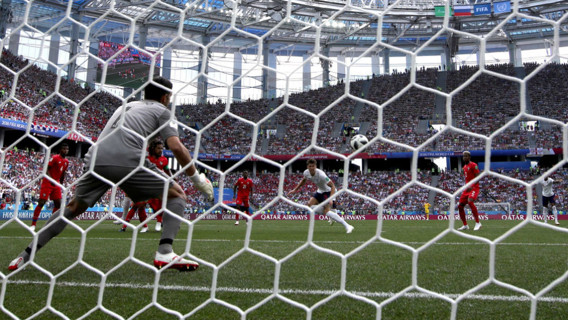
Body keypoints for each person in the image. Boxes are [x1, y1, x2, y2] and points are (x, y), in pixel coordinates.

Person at [8, 77, 213, 272]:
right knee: (177, 194)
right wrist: (197, 178)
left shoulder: (125, 106)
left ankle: (24, 256)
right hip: (127, 160)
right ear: (165, 98)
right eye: (169, 98)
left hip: (96, 158)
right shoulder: (162, 111)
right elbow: (176, 146)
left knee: (72, 207)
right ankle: (165, 252)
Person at [288, 159, 354, 233]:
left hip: (328, 191)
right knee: (309, 205)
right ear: (307, 167)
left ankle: (347, 226)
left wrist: (331, 199)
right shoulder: (306, 173)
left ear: (315, 166)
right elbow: (304, 180)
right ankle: (331, 214)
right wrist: (295, 190)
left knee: (326, 211)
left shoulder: (321, 175)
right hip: (320, 191)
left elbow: (332, 185)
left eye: (313, 166)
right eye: (310, 166)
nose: (312, 168)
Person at [30, 143, 70, 231]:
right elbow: (47, 169)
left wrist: (61, 184)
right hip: (48, 182)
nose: (65, 150)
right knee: (42, 202)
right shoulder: (55, 158)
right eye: (64, 149)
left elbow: (63, 173)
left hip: (57, 184)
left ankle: (50, 224)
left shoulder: (66, 161)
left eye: (67, 149)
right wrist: (51, 179)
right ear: (60, 150)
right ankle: (33, 225)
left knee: (58, 204)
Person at [457, 151, 482, 231]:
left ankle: (478, 223)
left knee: (470, 201)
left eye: (466, 156)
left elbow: (477, 177)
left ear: (469, 157)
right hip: (467, 188)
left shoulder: (473, 165)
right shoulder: (464, 167)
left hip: (474, 187)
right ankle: (465, 225)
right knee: (460, 206)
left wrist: (471, 186)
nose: (464, 157)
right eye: (463, 156)